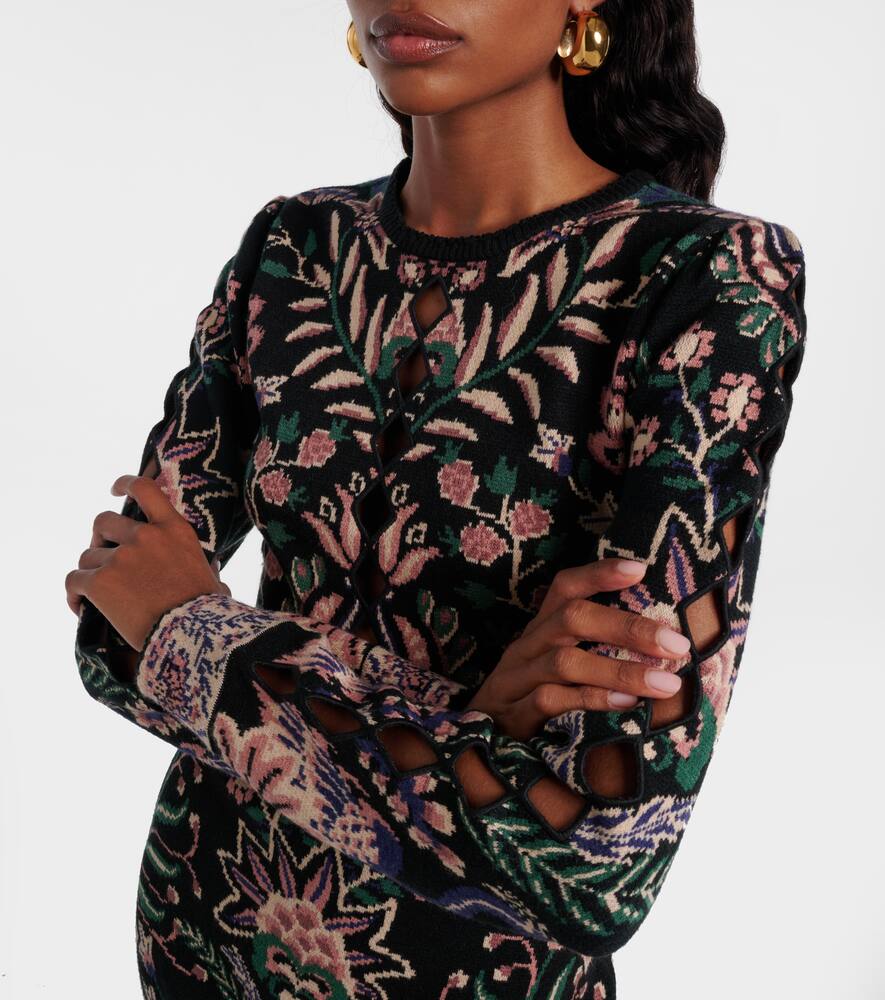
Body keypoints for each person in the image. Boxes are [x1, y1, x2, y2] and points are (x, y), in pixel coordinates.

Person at [67, 3, 808, 997]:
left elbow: (595, 860)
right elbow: (112, 629)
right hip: (206, 936)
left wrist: (193, 630)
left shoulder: (705, 279)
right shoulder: (293, 246)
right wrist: (469, 728)